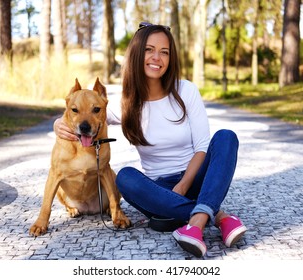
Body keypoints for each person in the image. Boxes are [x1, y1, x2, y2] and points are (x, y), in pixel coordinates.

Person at [54, 22, 247, 258]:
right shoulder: (125, 102)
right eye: (149, 49)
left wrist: (184, 185)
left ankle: (194, 224)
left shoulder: (186, 91)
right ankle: (217, 216)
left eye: (164, 52)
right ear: (137, 53)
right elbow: (87, 112)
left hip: (195, 177)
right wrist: (58, 123)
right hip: (158, 189)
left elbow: (202, 148)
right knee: (125, 178)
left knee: (226, 137)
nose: (157, 57)